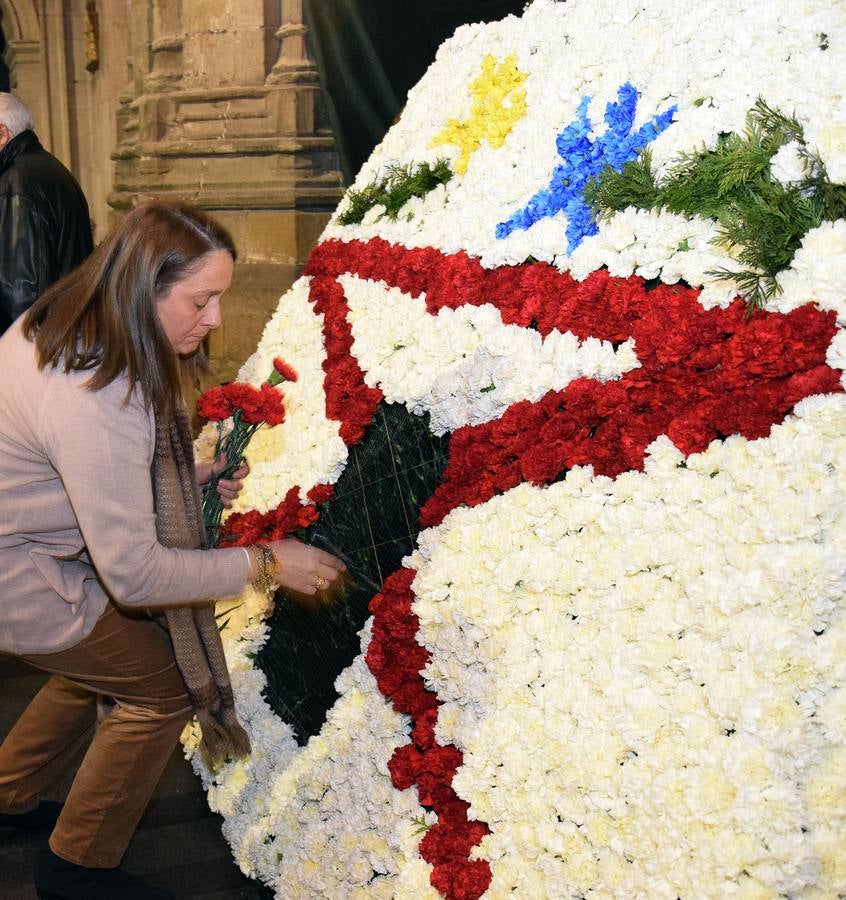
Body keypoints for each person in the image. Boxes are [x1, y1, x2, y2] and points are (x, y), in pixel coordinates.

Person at [0, 201, 346, 900]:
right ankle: (75, 868)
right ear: (142, 289)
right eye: (202, 299)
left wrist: (188, 476)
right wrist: (268, 563)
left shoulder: (57, 324)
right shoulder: (96, 394)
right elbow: (133, 574)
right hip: (22, 577)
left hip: (35, 551)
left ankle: (7, 794)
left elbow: (84, 473)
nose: (215, 318)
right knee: (159, 688)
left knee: (102, 667)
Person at [0, 91, 93, 334]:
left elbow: (20, 291)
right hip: (65, 331)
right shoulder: (47, 167)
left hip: (37, 343)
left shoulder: (17, 184)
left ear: (1, 134)